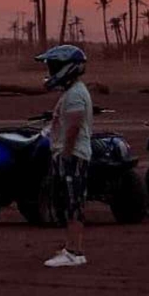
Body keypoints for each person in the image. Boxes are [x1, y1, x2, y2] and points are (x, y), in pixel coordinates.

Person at [38, 45, 93, 268]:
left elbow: (74, 127)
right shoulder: (72, 92)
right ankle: (73, 249)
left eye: (54, 67)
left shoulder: (75, 95)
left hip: (72, 155)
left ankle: (73, 252)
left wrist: (67, 154)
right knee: (71, 203)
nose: (51, 71)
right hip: (71, 154)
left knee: (72, 204)